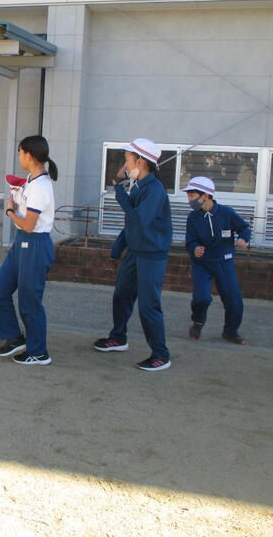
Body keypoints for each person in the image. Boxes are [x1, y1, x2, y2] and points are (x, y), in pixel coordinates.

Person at [94, 138, 173, 371]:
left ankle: (161, 354)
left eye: (127, 159)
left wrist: (119, 191)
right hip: (136, 252)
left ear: (140, 161)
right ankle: (118, 337)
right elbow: (132, 222)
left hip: (151, 255)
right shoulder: (139, 185)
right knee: (121, 296)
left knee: (148, 306)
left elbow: (138, 220)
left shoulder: (154, 189)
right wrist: (119, 247)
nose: (125, 164)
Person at [0, 135, 58, 366]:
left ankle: (39, 352)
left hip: (35, 243)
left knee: (30, 303)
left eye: (20, 153)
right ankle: (14, 337)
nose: (19, 157)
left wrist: (10, 212)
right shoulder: (32, 180)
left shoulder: (40, 186)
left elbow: (29, 224)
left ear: (29, 155)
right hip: (23, 242)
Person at [182, 176, 250, 344]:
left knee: (233, 299)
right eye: (188, 195)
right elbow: (190, 241)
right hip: (202, 263)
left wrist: (243, 239)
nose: (189, 199)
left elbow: (244, 228)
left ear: (206, 196)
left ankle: (230, 331)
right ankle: (198, 322)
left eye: (192, 195)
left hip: (224, 261)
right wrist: (195, 248)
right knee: (201, 298)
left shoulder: (227, 213)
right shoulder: (193, 217)